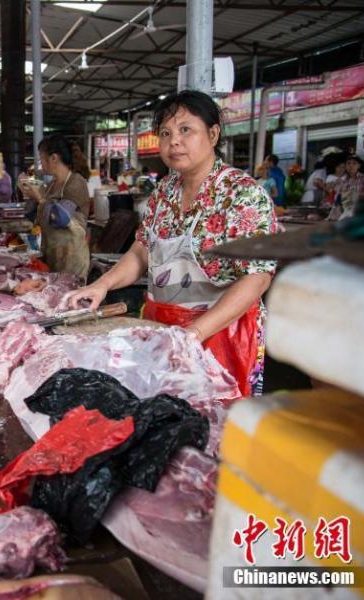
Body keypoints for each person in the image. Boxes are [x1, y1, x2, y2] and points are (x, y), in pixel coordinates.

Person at [63, 90, 279, 398]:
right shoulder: (164, 192)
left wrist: (195, 333)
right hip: (165, 330)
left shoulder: (243, 194)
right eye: (165, 133)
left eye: (185, 130)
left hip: (223, 333)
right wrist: (103, 285)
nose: (173, 141)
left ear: (213, 133)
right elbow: (141, 251)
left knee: (220, 431)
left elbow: (257, 278)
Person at [19, 134, 91, 280]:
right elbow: (35, 214)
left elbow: (61, 218)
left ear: (54, 158)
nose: (40, 163)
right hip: (52, 255)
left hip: (72, 260)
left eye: (42, 158)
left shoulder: (76, 182)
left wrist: (39, 197)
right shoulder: (51, 184)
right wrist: (25, 191)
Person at [332, 154, 364, 219]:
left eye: (354, 163)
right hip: (347, 211)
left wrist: (362, 195)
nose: (351, 165)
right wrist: (337, 207)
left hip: (362, 210)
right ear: (345, 166)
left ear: (359, 166)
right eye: (348, 163)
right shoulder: (344, 181)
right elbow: (339, 197)